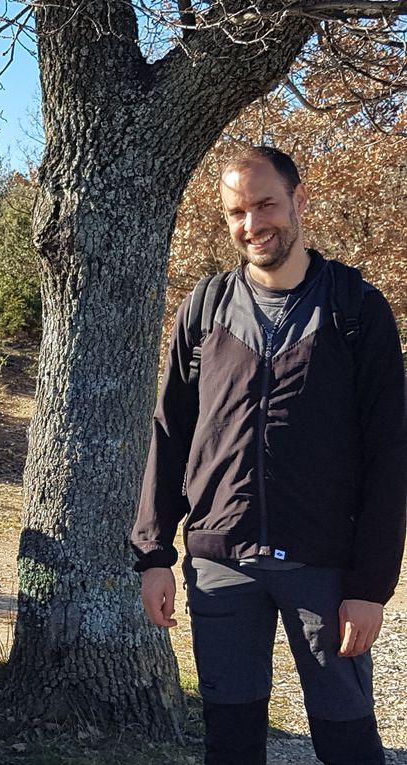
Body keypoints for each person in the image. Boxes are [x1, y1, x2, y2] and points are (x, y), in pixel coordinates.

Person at [131, 146, 406, 765]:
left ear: (297, 200)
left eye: (265, 205)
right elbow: (171, 432)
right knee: (229, 741)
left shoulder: (356, 309)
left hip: (326, 568)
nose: (252, 224)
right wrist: (152, 555)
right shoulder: (203, 310)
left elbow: (391, 455)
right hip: (220, 564)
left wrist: (371, 586)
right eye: (237, 211)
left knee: (347, 739)